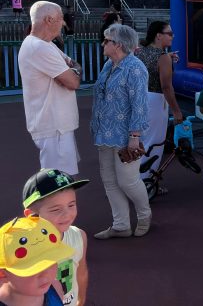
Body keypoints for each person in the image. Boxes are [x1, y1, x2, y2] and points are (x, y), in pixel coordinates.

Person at [91, 23, 152, 239]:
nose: (103, 44)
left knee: (128, 181)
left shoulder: (135, 68)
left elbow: (140, 104)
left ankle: (144, 215)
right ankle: (121, 225)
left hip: (126, 134)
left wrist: (135, 136)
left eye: (106, 40)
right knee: (109, 180)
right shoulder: (108, 65)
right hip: (104, 133)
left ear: (118, 44)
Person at [18, 1, 81, 175]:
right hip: (54, 127)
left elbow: (74, 67)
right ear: (49, 20)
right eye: (61, 18)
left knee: (64, 179)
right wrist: (72, 72)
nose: (64, 23)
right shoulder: (39, 47)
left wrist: (72, 71)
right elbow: (73, 82)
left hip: (56, 126)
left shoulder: (45, 45)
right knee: (61, 181)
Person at [22, 169, 90, 306]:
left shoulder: (79, 236)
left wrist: (81, 300)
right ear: (31, 215)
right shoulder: (22, 249)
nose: (67, 214)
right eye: (56, 209)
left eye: (71, 205)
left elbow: (81, 272)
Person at [135, 21, 183, 179]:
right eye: (169, 33)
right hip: (155, 102)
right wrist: (176, 111)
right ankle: (147, 181)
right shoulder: (163, 57)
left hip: (140, 98)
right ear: (158, 36)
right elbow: (167, 87)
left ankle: (135, 180)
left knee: (141, 140)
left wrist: (167, 57)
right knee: (154, 142)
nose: (172, 36)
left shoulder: (140, 52)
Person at [0, 216, 74, 306]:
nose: (45, 275)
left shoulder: (55, 287)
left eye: (49, 262)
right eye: (33, 269)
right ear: (2, 274)